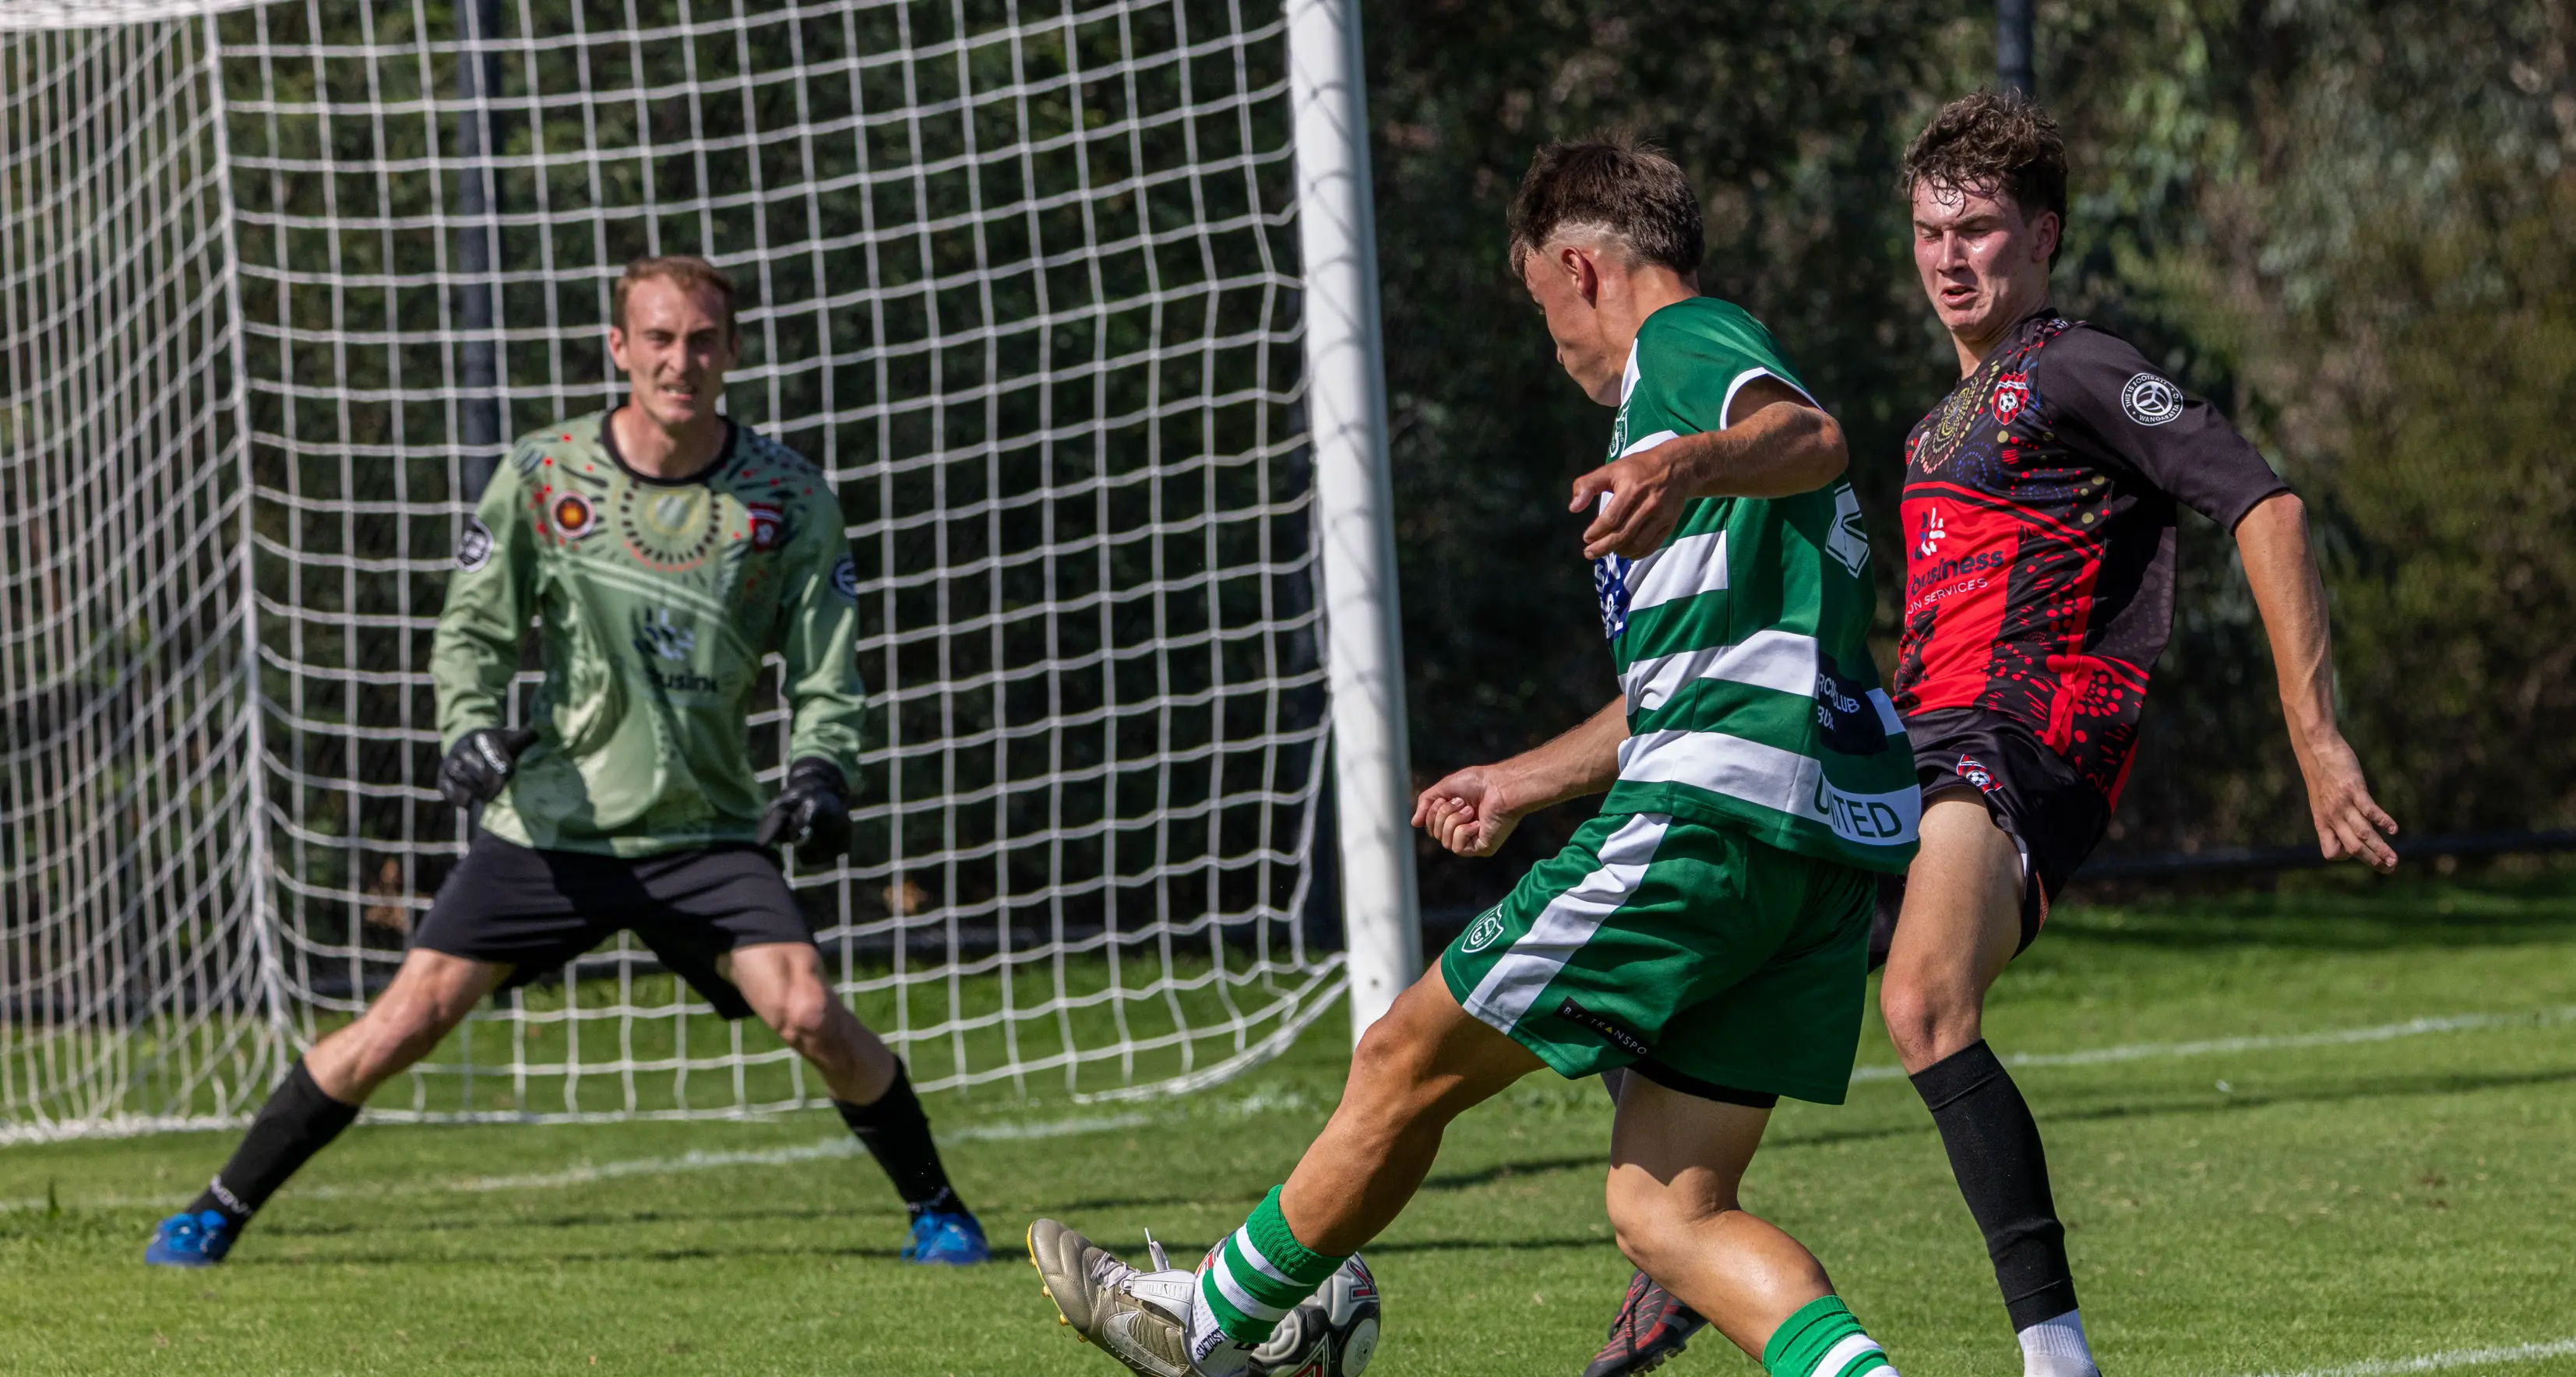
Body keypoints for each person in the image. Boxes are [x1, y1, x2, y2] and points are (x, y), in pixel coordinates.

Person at [1023, 136, 1919, 1377]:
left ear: (1579, 268)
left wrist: (1680, 454)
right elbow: (1686, 687)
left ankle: (1209, 1321)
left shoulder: (1685, 344)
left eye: (1541, 306)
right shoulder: (1695, 446)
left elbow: (1811, 436)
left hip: (1715, 822)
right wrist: (1521, 781)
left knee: (1403, 1055)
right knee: (1668, 1214)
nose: (1552, 343)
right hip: (1814, 849)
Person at [1582, 91, 2399, 1377]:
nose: (1949, 259)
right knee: (1720, 939)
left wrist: (2313, 736)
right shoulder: (1927, 432)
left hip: (2023, 737)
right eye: (1928, 231)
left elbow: (2263, 503)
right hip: (1918, 745)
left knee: (1920, 1001)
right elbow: (1912, 640)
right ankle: (1674, 1244)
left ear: (2043, 239)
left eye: (1977, 232)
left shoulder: (2073, 366)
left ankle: (2056, 1358)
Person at [144, 255, 989, 1270]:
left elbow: (826, 667)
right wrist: (465, 729)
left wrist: (820, 773)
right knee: (402, 1023)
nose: (682, 360)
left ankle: (940, 1211)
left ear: (732, 351)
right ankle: (215, 1211)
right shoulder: (545, 474)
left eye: (704, 339)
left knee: (806, 1006)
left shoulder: (786, 496)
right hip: (553, 825)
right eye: (661, 338)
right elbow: (471, 631)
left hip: (706, 832)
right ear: (619, 348)